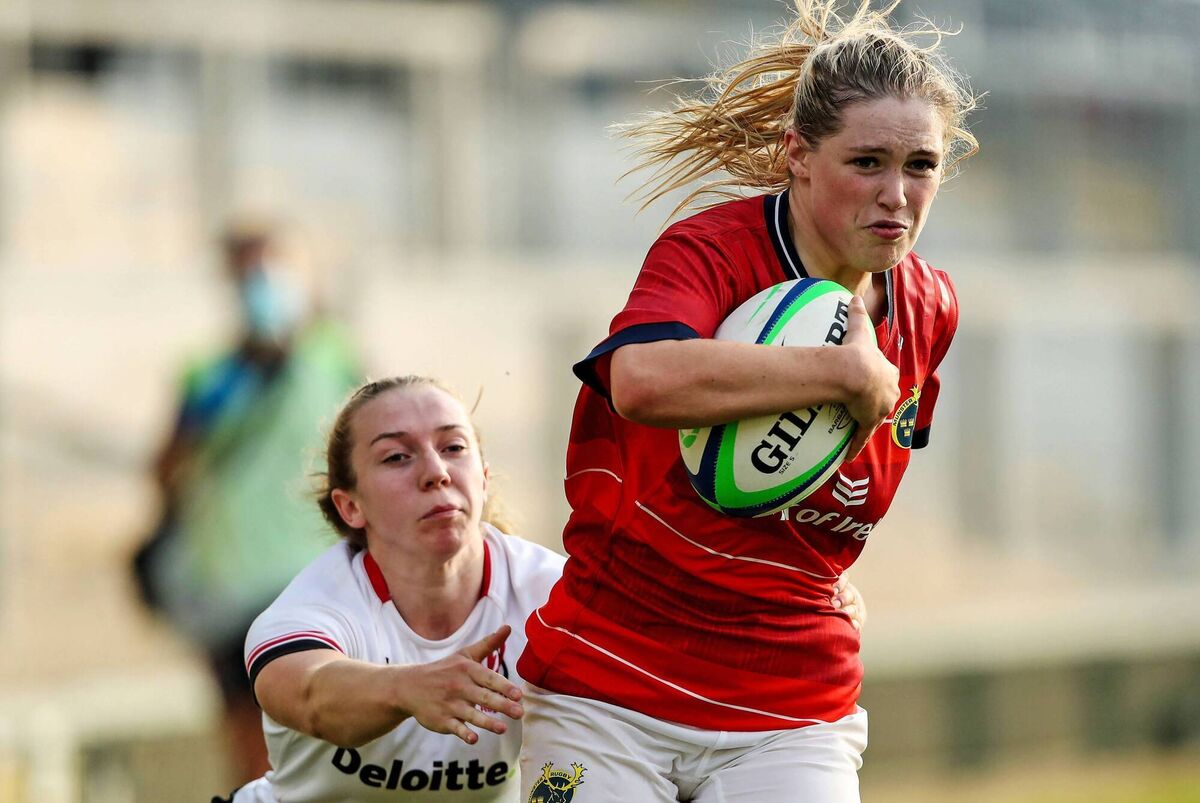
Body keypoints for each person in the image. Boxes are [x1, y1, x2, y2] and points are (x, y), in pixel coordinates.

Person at [517, 1, 978, 801]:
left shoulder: (930, 307)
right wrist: (839, 375)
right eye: (867, 161)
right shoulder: (716, 250)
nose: (897, 195)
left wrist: (819, 572)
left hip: (790, 707)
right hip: (612, 686)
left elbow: (828, 492)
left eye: (920, 165)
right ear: (797, 155)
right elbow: (641, 381)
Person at [215, 374, 874, 802]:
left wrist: (795, 599)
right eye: (396, 455)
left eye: (453, 448)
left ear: (484, 474)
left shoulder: (554, 595)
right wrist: (408, 688)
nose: (435, 473)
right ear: (349, 505)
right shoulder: (315, 606)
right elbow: (303, 692)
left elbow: (683, 632)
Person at [132, 222, 362, 783]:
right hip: (230, 587)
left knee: (318, 725)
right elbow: (168, 466)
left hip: (315, 579)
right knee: (246, 732)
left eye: (273, 270)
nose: (262, 286)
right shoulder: (211, 376)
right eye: (249, 274)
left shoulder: (332, 357)